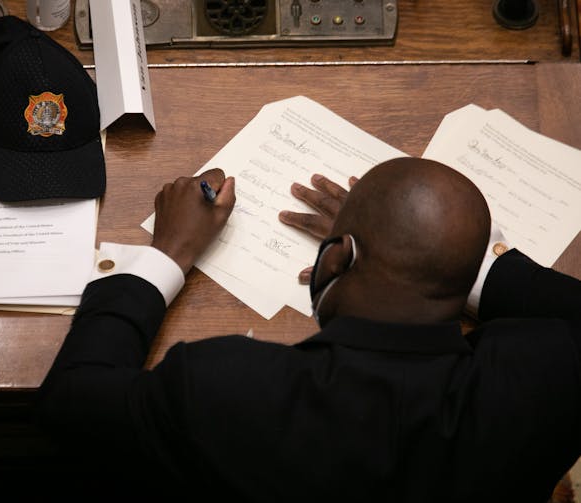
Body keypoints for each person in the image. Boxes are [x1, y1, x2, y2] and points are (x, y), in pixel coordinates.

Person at [36, 157, 581, 502]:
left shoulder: (224, 389)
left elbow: (71, 402)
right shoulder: (547, 380)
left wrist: (168, 252)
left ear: (336, 258)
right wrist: (441, 257)